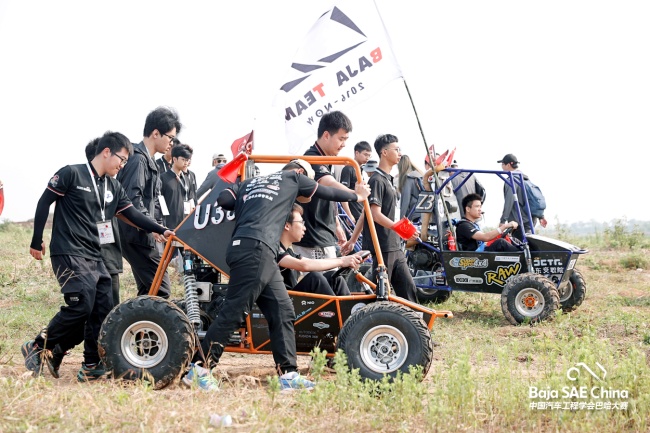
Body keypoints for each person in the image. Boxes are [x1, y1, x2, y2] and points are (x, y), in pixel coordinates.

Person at [184, 159, 370, 392]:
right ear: (301, 173)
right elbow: (326, 192)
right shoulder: (293, 178)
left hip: (253, 250)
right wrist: (357, 196)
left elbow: (224, 200)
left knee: (282, 309)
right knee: (233, 312)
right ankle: (199, 370)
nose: (306, 195)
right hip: (256, 249)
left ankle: (288, 374)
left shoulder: (250, 183)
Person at [22, 131, 174, 381]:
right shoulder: (71, 173)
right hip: (69, 251)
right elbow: (44, 202)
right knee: (81, 305)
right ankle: (38, 346)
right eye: (121, 159)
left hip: (96, 256)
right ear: (106, 152)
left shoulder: (113, 186)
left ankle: (90, 364)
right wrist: (36, 239)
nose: (122, 165)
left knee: (103, 311)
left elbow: (132, 214)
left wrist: (160, 229)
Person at [343, 134, 418, 303]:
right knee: (380, 294)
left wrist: (352, 240)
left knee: (408, 289)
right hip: (382, 245)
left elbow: (365, 213)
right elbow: (374, 214)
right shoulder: (376, 180)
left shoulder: (388, 179)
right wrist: (400, 228)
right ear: (384, 152)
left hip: (394, 245)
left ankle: (415, 319)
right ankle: (368, 318)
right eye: (396, 149)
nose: (400, 153)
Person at [117, 106, 181, 298]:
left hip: (143, 233)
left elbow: (153, 202)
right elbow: (132, 200)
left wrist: (157, 226)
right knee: (161, 290)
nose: (171, 143)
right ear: (155, 133)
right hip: (135, 234)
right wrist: (153, 227)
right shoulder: (138, 160)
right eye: (170, 137)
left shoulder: (149, 161)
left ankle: (138, 318)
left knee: (149, 291)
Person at [293, 111, 356, 261]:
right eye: (341, 139)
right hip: (313, 238)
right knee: (323, 276)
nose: (344, 144)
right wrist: (356, 194)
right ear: (326, 135)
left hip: (322, 234)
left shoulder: (327, 159)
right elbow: (329, 183)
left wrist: (337, 225)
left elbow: (328, 195)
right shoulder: (311, 158)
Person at [278, 203, 363, 296]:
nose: (304, 228)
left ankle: (347, 305)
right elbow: (304, 265)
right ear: (287, 225)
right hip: (284, 301)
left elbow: (309, 262)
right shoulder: (274, 250)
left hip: (293, 297)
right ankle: (336, 306)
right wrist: (342, 261)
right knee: (314, 278)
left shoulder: (288, 251)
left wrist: (351, 258)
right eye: (301, 223)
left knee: (334, 277)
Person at [85, 139, 123, 306]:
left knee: (112, 299)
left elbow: (128, 212)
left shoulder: (114, 185)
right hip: (86, 253)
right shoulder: (80, 182)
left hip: (109, 250)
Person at [498, 153, 533, 241]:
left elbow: (509, 202)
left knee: (519, 246)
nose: (501, 167)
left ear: (508, 165)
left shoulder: (511, 180)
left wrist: (503, 221)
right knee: (527, 244)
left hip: (519, 221)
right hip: (530, 219)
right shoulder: (525, 178)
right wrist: (541, 216)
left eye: (502, 164)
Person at [160, 144, 194, 229]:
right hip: (168, 226)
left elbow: (191, 200)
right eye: (183, 159)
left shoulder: (187, 179)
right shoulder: (163, 178)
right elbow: (159, 202)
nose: (186, 163)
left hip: (184, 225)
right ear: (174, 159)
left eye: (187, 160)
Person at [339, 141, 372, 223]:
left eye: (369, 155)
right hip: (353, 214)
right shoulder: (348, 169)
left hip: (360, 212)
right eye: (365, 154)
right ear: (357, 153)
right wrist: (348, 215)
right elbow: (343, 193)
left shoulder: (361, 170)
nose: (367, 158)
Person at [397, 155, 425, 221]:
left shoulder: (408, 178)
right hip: (426, 214)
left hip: (415, 216)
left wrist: (401, 220)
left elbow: (405, 202)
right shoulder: (420, 175)